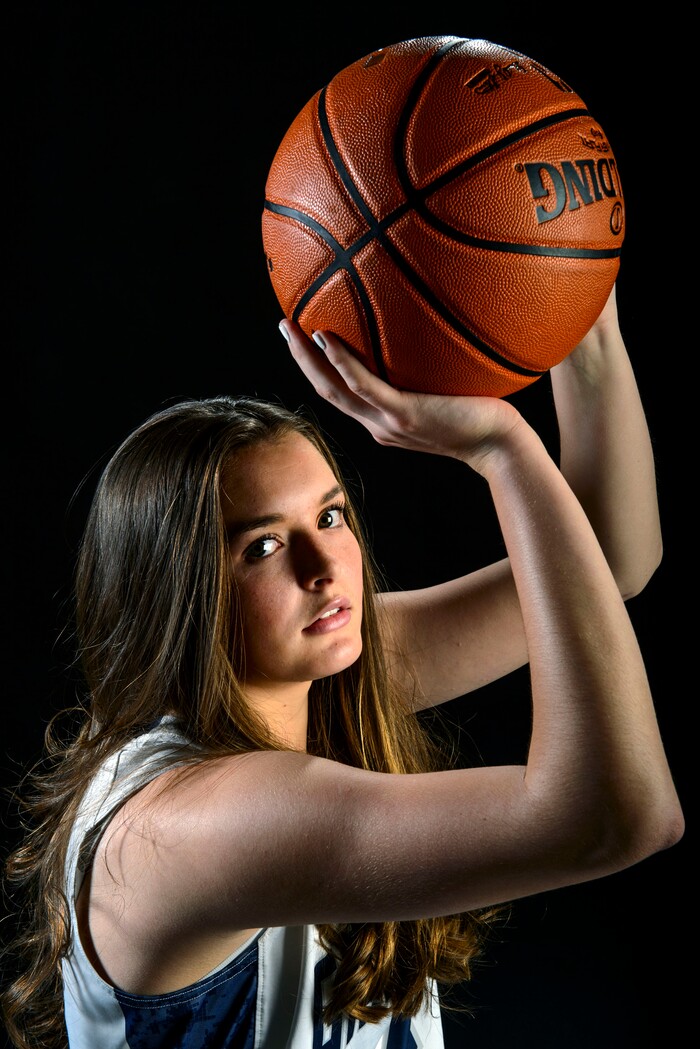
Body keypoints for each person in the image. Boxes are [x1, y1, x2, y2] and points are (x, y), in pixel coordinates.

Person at [1, 286, 684, 1049]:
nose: (324, 567)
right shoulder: (192, 824)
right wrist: (502, 447)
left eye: (329, 516)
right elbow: (613, 814)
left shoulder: (302, 671)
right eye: (263, 546)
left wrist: (577, 302)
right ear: (177, 595)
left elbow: (606, 558)